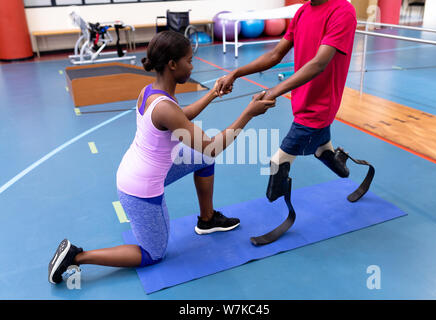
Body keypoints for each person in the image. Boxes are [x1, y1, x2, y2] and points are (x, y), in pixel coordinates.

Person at [48, 30, 275, 284]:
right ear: (172, 64)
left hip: (137, 168)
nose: (192, 65)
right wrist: (249, 113)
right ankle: (77, 257)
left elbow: (181, 116)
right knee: (153, 253)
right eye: (189, 60)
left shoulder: (152, 92)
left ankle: (207, 219)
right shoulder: (165, 107)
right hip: (140, 189)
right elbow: (211, 146)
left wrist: (212, 93)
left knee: (202, 160)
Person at [216, 0, 359, 204]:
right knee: (322, 146)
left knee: (278, 162)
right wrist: (236, 73)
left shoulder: (343, 10)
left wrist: (274, 91)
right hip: (301, 99)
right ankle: (332, 159)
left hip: (320, 105)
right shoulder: (302, 12)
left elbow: (319, 63)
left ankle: (278, 214)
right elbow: (275, 54)